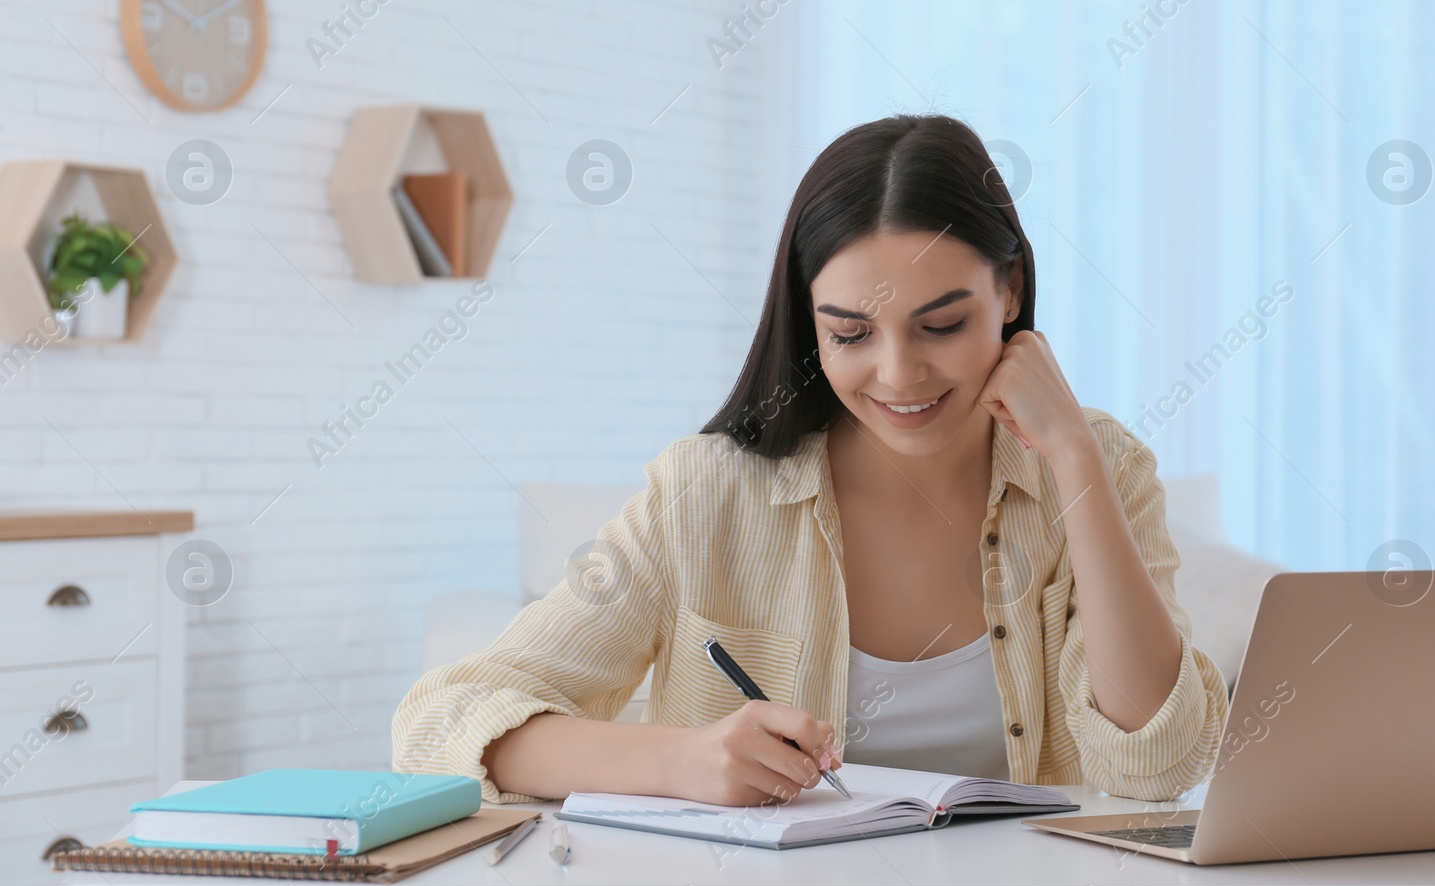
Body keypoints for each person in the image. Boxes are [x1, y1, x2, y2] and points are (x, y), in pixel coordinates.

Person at [392, 114, 1227, 807]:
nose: (900, 374)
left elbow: (1154, 766)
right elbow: (440, 722)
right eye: (851, 334)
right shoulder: (706, 491)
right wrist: (681, 762)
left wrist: (1076, 456)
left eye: (941, 324)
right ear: (808, 320)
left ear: (1008, 291)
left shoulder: (1101, 466)